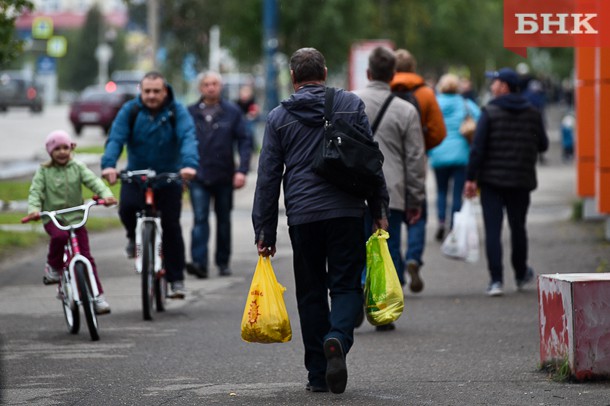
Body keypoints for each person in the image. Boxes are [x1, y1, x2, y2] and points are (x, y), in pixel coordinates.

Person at [252, 47, 389, 394]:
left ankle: (317, 374)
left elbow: (268, 176)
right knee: (345, 285)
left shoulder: (279, 117)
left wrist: (265, 229)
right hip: (346, 210)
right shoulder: (350, 104)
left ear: (293, 77)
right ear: (325, 72)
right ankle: (338, 338)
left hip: (303, 216)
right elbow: (369, 159)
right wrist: (379, 209)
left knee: (311, 293)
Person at [101, 71, 199, 299]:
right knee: (126, 208)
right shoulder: (131, 111)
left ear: (165, 91)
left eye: (156, 91)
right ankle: (131, 237)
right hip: (137, 175)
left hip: (169, 176)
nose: (152, 95)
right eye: (147, 91)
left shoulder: (177, 111)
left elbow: (188, 138)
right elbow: (116, 138)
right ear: (141, 91)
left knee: (171, 226)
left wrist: (189, 166)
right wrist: (109, 165)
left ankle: (176, 280)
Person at [353, 46, 426, 331]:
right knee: (389, 248)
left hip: (355, 190)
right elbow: (415, 158)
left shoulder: (351, 102)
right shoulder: (406, 110)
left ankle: (358, 288)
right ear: (393, 75)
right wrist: (416, 198)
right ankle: (383, 307)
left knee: (357, 246)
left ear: (368, 72)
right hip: (393, 191)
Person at [464, 67, 549, 297]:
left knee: (493, 229)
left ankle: (496, 280)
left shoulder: (489, 112)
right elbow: (543, 145)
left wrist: (471, 178)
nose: (492, 86)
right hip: (521, 180)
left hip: (491, 182)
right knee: (518, 228)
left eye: (495, 83)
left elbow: (477, 149)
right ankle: (521, 274)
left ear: (504, 86)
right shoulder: (532, 112)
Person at [25, 130, 117, 314]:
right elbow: (35, 192)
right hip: (54, 218)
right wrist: (34, 210)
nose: (62, 152)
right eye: (57, 148)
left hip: (76, 217)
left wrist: (106, 195)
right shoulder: (44, 171)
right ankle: (54, 266)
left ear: (71, 148)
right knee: (59, 237)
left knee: (87, 258)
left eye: (65, 147)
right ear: (50, 152)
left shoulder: (77, 167)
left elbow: (94, 182)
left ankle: (98, 297)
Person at [390, 48, 447, 293]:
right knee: (417, 214)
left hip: (387, 163)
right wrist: (422, 146)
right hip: (415, 161)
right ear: (413, 67)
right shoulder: (425, 93)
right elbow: (438, 131)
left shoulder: (385, 90)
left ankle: (397, 268)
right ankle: (413, 257)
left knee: (390, 219)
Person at [185, 71, 253, 278]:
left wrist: (241, 170)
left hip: (224, 175)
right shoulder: (189, 113)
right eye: (206, 84)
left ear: (220, 86)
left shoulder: (232, 112)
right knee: (200, 219)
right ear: (200, 88)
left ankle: (223, 262)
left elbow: (244, 141)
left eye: (214, 84)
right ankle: (199, 263)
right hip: (197, 174)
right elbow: (181, 141)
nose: (211, 87)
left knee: (224, 220)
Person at [430, 73, 481, 241]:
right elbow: (480, 120)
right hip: (461, 155)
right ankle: (454, 226)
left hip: (438, 153)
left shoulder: (435, 104)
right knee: (458, 192)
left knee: (442, 191)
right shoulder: (466, 104)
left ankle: (441, 221)